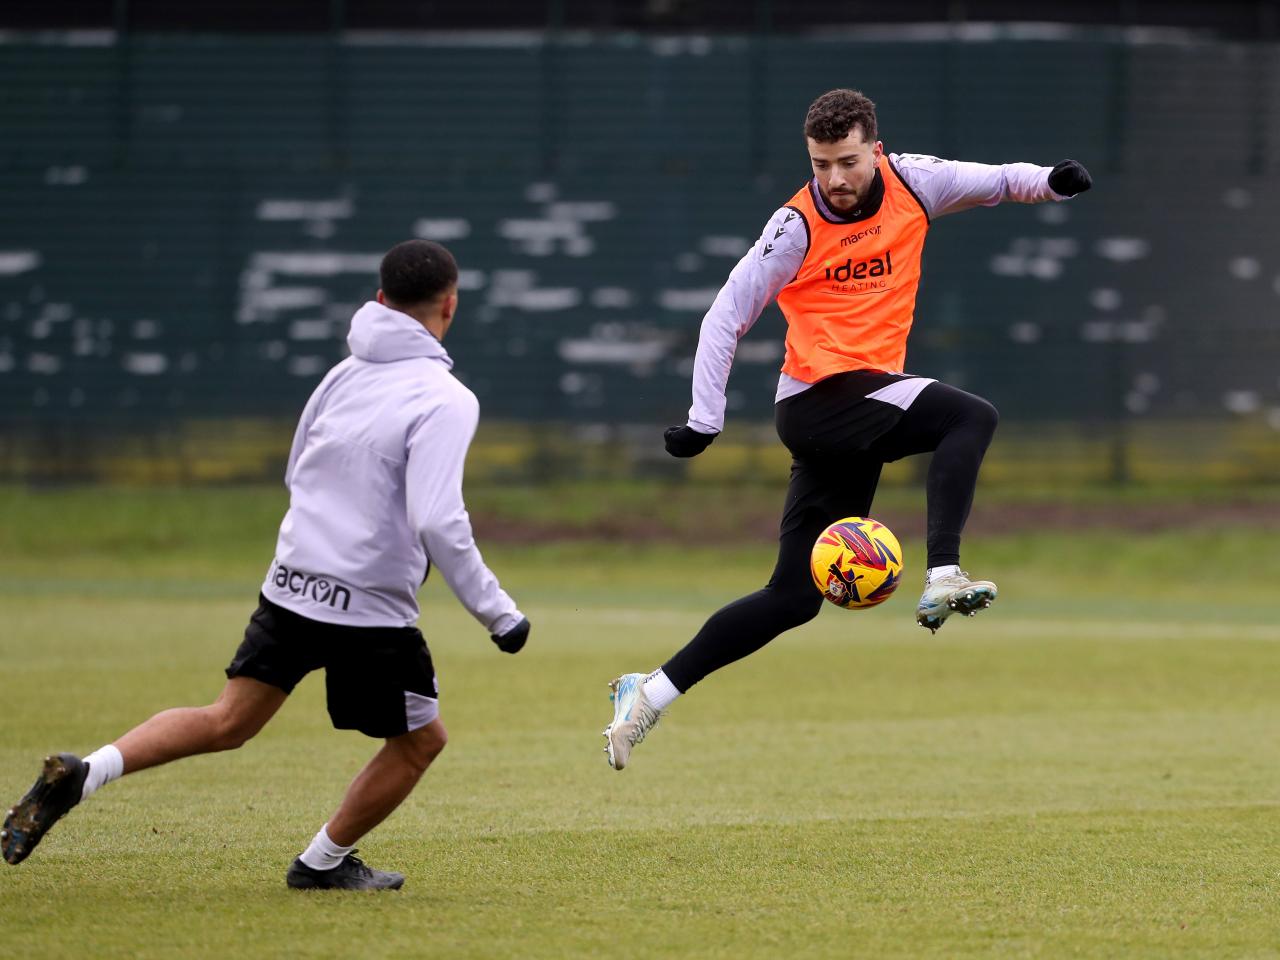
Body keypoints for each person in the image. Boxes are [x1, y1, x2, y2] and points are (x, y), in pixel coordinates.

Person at [2, 239, 532, 889]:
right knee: (421, 743)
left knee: (229, 719)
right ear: (450, 304)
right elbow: (437, 518)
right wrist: (498, 613)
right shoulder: (446, 398)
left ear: (379, 298)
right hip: (367, 606)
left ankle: (88, 772)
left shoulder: (342, 374)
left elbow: (298, 468)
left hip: (291, 581)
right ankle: (321, 865)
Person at [603, 88, 1091, 771]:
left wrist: (1053, 184)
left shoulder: (915, 183)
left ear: (876, 150)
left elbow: (1002, 182)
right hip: (819, 401)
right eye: (821, 163)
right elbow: (725, 315)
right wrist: (703, 420)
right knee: (971, 416)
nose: (835, 177)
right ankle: (944, 572)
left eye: (848, 161)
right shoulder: (794, 226)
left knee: (794, 598)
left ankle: (647, 693)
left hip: (854, 410)